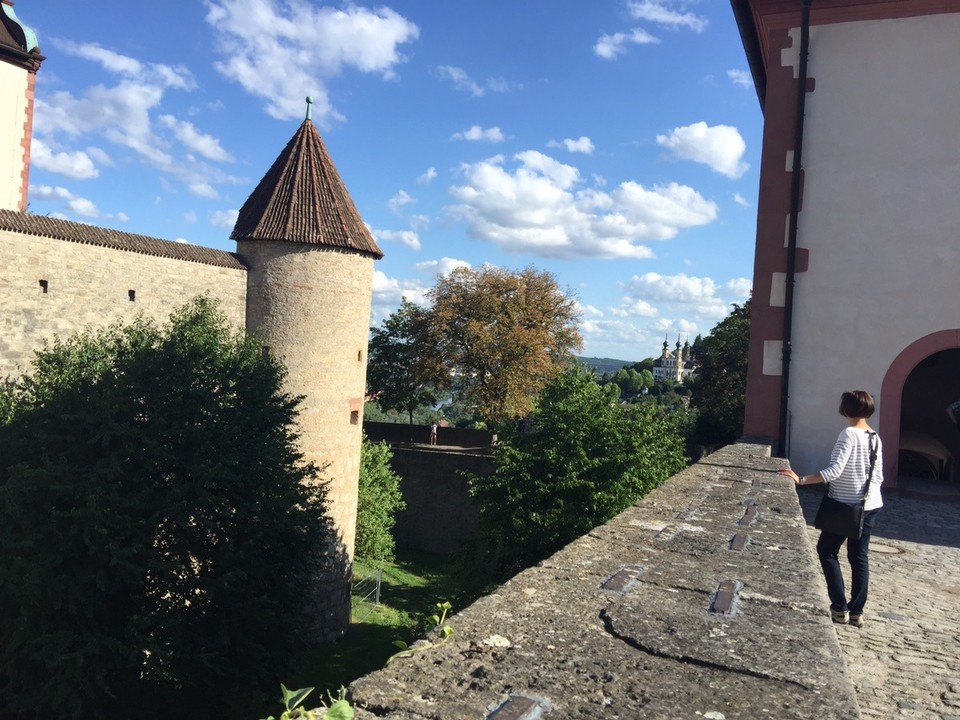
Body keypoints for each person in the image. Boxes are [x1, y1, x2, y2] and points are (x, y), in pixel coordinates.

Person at [779, 390, 884, 628]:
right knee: (859, 557)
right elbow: (878, 475)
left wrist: (801, 479)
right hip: (871, 504)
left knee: (826, 550)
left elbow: (834, 471)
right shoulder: (875, 437)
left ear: (846, 409)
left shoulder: (848, 434)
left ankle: (839, 607)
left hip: (845, 504)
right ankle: (857, 611)